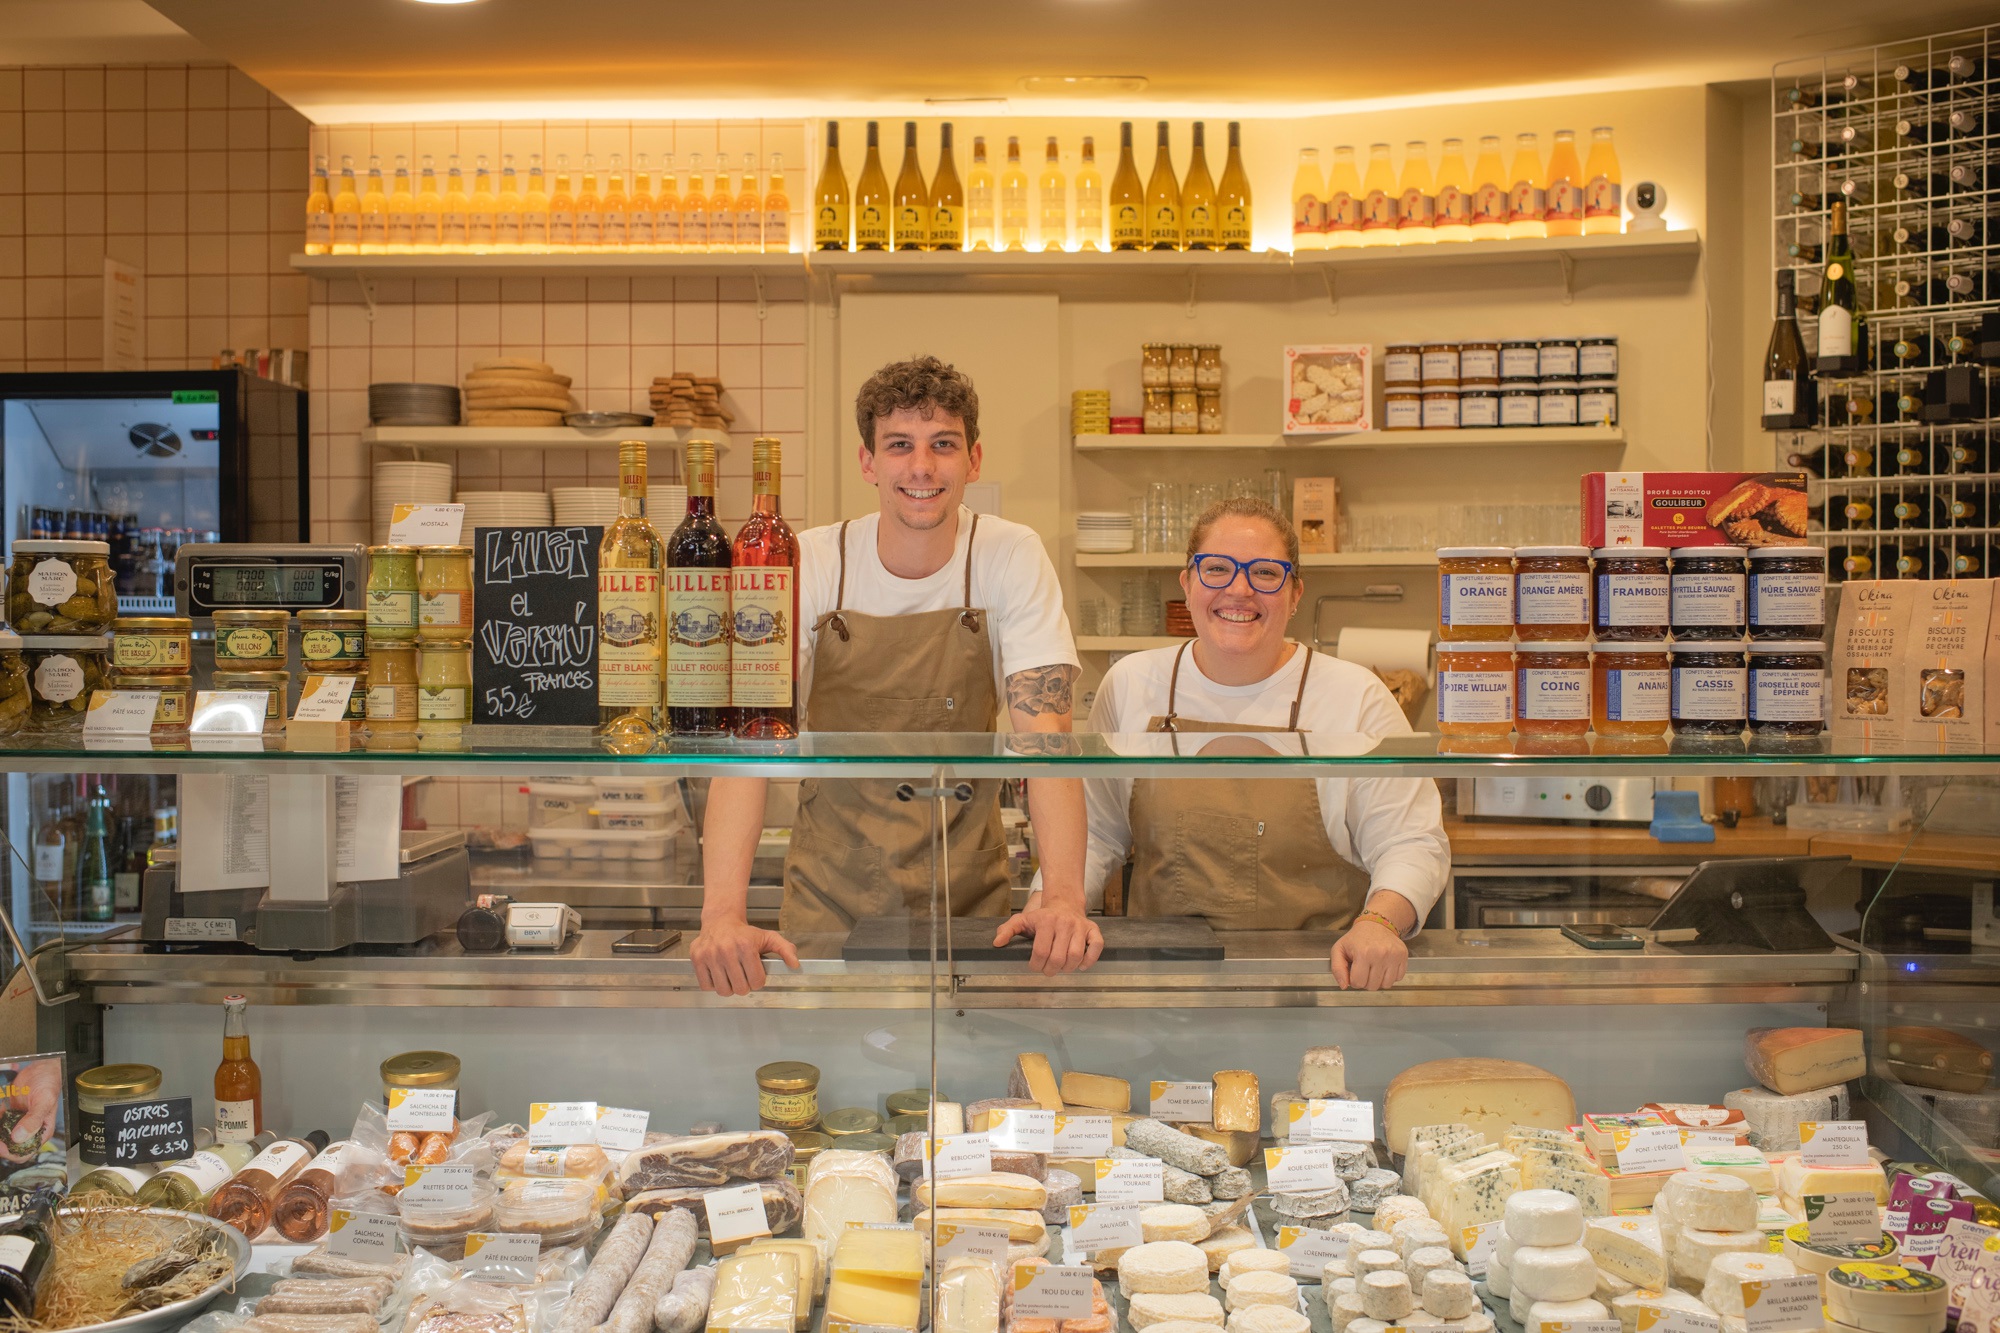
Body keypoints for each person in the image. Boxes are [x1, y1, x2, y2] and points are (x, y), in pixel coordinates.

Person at [691, 356, 1105, 996]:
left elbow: (1045, 736)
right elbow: (753, 738)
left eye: (943, 444)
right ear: (868, 463)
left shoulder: (1008, 554)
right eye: (899, 446)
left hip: (971, 903)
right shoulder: (814, 560)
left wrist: (1065, 898)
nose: (921, 467)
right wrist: (721, 914)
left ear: (973, 460)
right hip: (829, 901)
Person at [1077, 497, 1450, 990]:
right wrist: (1052, 903)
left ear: (1295, 593)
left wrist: (1379, 924)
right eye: (1216, 569)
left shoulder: (1355, 696)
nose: (1239, 589)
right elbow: (1094, 835)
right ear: (1186, 583)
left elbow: (1412, 842)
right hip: (1164, 988)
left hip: (1319, 988)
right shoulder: (1131, 684)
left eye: (1266, 574)